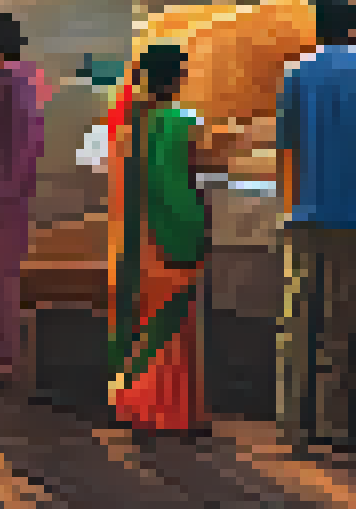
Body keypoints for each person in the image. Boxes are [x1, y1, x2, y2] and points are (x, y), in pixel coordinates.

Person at [275, 0, 356, 450]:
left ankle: (292, 426)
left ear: (316, 28)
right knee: (340, 324)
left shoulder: (295, 75)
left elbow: (285, 147)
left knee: (297, 321)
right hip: (353, 216)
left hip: (305, 212)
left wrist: (288, 206)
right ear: (352, 28)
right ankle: (332, 425)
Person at [109, 43, 214, 432]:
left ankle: (133, 404)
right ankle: (172, 411)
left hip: (136, 238)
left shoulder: (128, 127)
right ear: (178, 79)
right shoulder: (185, 122)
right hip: (177, 234)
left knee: (142, 321)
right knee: (176, 325)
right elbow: (197, 170)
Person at [0, 12, 49, 392]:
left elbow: (27, 141)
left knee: (3, 279)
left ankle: (7, 363)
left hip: (5, 199)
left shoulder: (15, 81)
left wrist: (6, 189)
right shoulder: (5, 80)